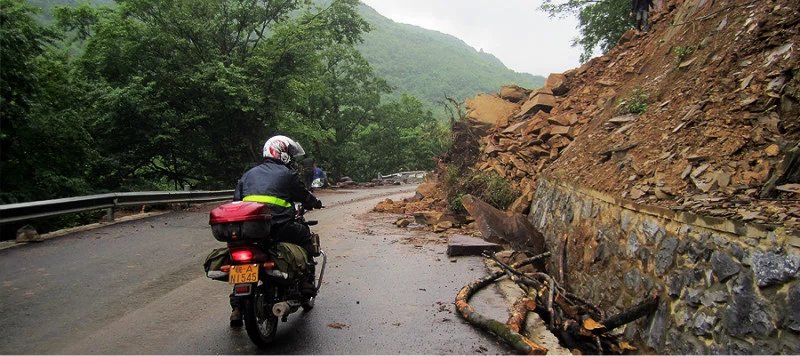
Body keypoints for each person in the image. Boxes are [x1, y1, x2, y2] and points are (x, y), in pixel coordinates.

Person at [229, 135, 323, 326]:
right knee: (304, 235)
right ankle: (306, 283)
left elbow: (236, 201)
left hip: (249, 230)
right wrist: (315, 202)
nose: (291, 157)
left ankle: (237, 307)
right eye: (289, 153)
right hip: (279, 227)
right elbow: (303, 195)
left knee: (241, 264)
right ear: (282, 153)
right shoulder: (287, 174)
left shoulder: (248, 175)